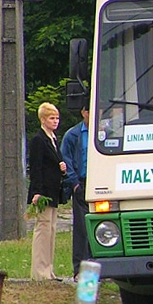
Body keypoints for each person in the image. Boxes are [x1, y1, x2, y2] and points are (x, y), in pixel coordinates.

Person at [27, 102, 67, 281]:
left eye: (57, 118)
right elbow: (35, 167)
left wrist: (62, 168)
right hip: (43, 192)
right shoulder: (38, 140)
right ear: (43, 119)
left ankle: (49, 270)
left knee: (50, 230)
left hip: (54, 190)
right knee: (42, 230)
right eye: (52, 118)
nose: (55, 121)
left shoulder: (53, 138)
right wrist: (37, 192)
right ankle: (39, 272)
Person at [62, 102, 90, 279]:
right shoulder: (73, 135)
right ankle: (79, 269)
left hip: (100, 182)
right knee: (81, 228)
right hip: (82, 182)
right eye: (89, 111)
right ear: (83, 112)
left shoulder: (104, 132)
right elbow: (67, 159)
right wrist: (74, 184)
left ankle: (97, 266)